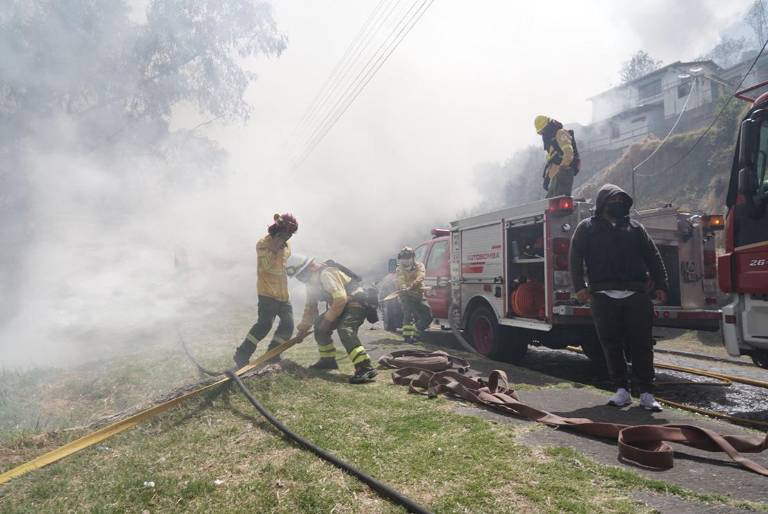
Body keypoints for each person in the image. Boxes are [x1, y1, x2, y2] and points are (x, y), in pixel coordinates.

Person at [569, 184, 669, 412]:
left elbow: (653, 256)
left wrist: (661, 284)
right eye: (613, 200)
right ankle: (621, 391)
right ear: (603, 202)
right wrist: (579, 288)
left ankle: (646, 393)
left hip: (636, 294)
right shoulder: (587, 228)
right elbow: (575, 258)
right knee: (611, 344)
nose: (618, 204)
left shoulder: (636, 228)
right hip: (602, 295)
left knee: (642, 344)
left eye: (622, 201)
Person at [292, 257, 378, 384]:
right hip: (341, 306)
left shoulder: (326, 274)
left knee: (345, 328)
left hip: (356, 303)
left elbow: (340, 299)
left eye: (301, 275)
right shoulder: (311, 283)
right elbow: (310, 308)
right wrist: (302, 330)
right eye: (298, 277)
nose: (301, 279)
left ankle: (365, 367)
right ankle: (327, 360)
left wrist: (328, 320)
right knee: (319, 324)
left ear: (310, 267)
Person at [233, 213, 299, 369]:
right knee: (264, 326)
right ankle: (242, 354)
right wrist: (274, 248)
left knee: (288, 326)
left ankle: (273, 354)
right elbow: (267, 267)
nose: (288, 237)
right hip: (267, 294)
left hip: (283, 295)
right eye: (286, 234)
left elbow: (285, 264)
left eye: (290, 234)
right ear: (277, 231)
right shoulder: (263, 244)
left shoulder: (288, 245)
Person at [534, 115, 578, 198]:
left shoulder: (560, 133)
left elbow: (568, 153)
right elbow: (552, 161)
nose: (543, 134)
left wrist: (562, 169)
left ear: (548, 126)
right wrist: (547, 178)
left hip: (563, 173)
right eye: (541, 132)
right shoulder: (551, 142)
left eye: (544, 130)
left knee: (558, 203)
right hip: (555, 177)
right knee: (548, 205)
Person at [395, 247, 432, 342]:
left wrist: (412, 285)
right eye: (403, 258)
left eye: (408, 257)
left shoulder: (420, 266)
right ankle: (407, 338)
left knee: (428, 316)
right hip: (405, 295)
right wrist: (403, 287)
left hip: (418, 293)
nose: (405, 260)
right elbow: (400, 279)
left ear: (413, 258)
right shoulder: (399, 269)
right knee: (408, 314)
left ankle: (416, 332)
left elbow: (421, 276)